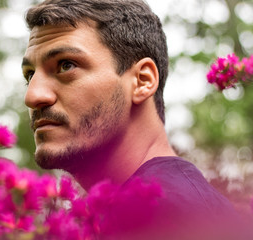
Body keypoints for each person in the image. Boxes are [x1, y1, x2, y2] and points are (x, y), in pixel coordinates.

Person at [21, 0, 249, 239]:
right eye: (29, 75)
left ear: (142, 80)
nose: (32, 96)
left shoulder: (170, 216)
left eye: (65, 65)